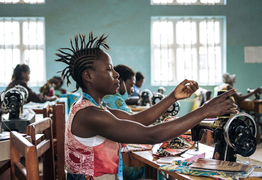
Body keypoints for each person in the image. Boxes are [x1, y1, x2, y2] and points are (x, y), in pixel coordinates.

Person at [55, 31, 237, 180]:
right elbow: (151, 135)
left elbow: (136, 120)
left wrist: (172, 97)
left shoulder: (93, 107)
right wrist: (204, 111)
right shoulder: (91, 115)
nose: (116, 74)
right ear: (88, 76)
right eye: (109, 69)